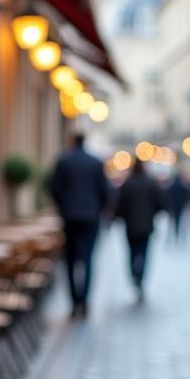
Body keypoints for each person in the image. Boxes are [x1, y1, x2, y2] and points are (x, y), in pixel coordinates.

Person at [49, 132, 112, 318]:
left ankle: (74, 301)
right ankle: (84, 301)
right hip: (90, 218)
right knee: (87, 259)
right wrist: (97, 209)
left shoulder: (64, 161)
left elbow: (54, 187)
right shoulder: (95, 162)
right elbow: (105, 191)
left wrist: (63, 206)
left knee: (69, 260)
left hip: (70, 217)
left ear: (72, 141)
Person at [115, 159, 167, 302]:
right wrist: (152, 213)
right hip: (146, 226)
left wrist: (120, 216)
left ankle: (134, 275)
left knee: (132, 252)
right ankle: (140, 278)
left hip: (130, 225)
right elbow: (161, 203)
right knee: (143, 253)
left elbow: (119, 204)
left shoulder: (128, 183)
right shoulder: (151, 183)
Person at [165, 170, 190, 242]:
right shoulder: (182, 186)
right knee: (178, 220)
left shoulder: (171, 186)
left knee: (172, 221)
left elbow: (167, 195)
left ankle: (174, 235)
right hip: (180, 206)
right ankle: (177, 234)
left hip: (173, 206)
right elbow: (187, 195)